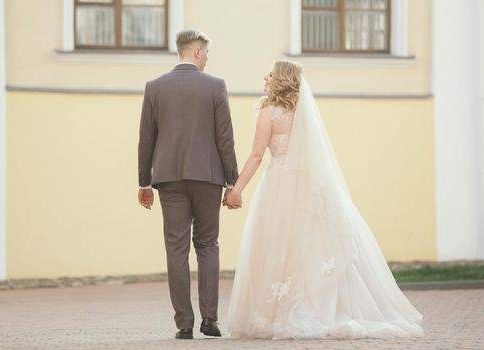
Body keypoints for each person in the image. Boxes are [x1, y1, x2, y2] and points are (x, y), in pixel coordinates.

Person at [225, 60, 424, 339]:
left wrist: (236, 189)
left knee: (278, 248)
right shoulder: (304, 112)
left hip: (280, 186)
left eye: (270, 74)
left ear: (280, 79)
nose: (265, 77)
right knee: (309, 246)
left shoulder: (269, 112)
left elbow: (257, 156)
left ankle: (270, 314)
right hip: (310, 187)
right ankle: (314, 307)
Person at [137, 29, 239, 340]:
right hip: (208, 177)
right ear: (195, 51)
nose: (208, 57)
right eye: (206, 52)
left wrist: (144, 182)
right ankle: (210, 319)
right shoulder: (215, 86)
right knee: (208, 245)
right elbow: (225, 138)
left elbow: (146, 140)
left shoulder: (154, 87)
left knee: (176, 249)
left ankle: (184, 323)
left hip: (168, 179)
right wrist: (233, 182)